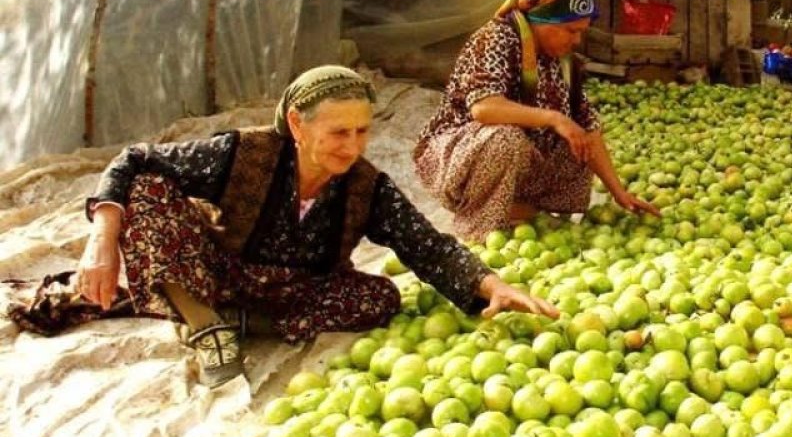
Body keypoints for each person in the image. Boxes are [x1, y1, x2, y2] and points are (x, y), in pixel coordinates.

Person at [9, 66, 558, 387]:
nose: (353, 147)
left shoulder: (365, 185)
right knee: (150, 191)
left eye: (363, 132)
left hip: (287, 291)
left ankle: (236, 320)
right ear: (297, 123)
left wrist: (490, 284)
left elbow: (425, 244)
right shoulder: (242, 153)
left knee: (381, 297)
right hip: (212, 266)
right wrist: (101, 241)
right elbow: (132, 161)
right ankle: (204, 325)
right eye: (339, 132)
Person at [412, 0, 659, 243]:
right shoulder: (496, 38)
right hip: (460, 155)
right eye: (571, 31)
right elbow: (484, 107)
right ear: (541, 21)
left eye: (581, 32)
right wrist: (553, 118)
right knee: (505, 140)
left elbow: (588, 126)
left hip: (523, 155)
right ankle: (480, 223)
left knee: (577, 140)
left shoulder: (564, 61)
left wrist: (618, 192)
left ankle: (521, 207)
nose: (576, 41)